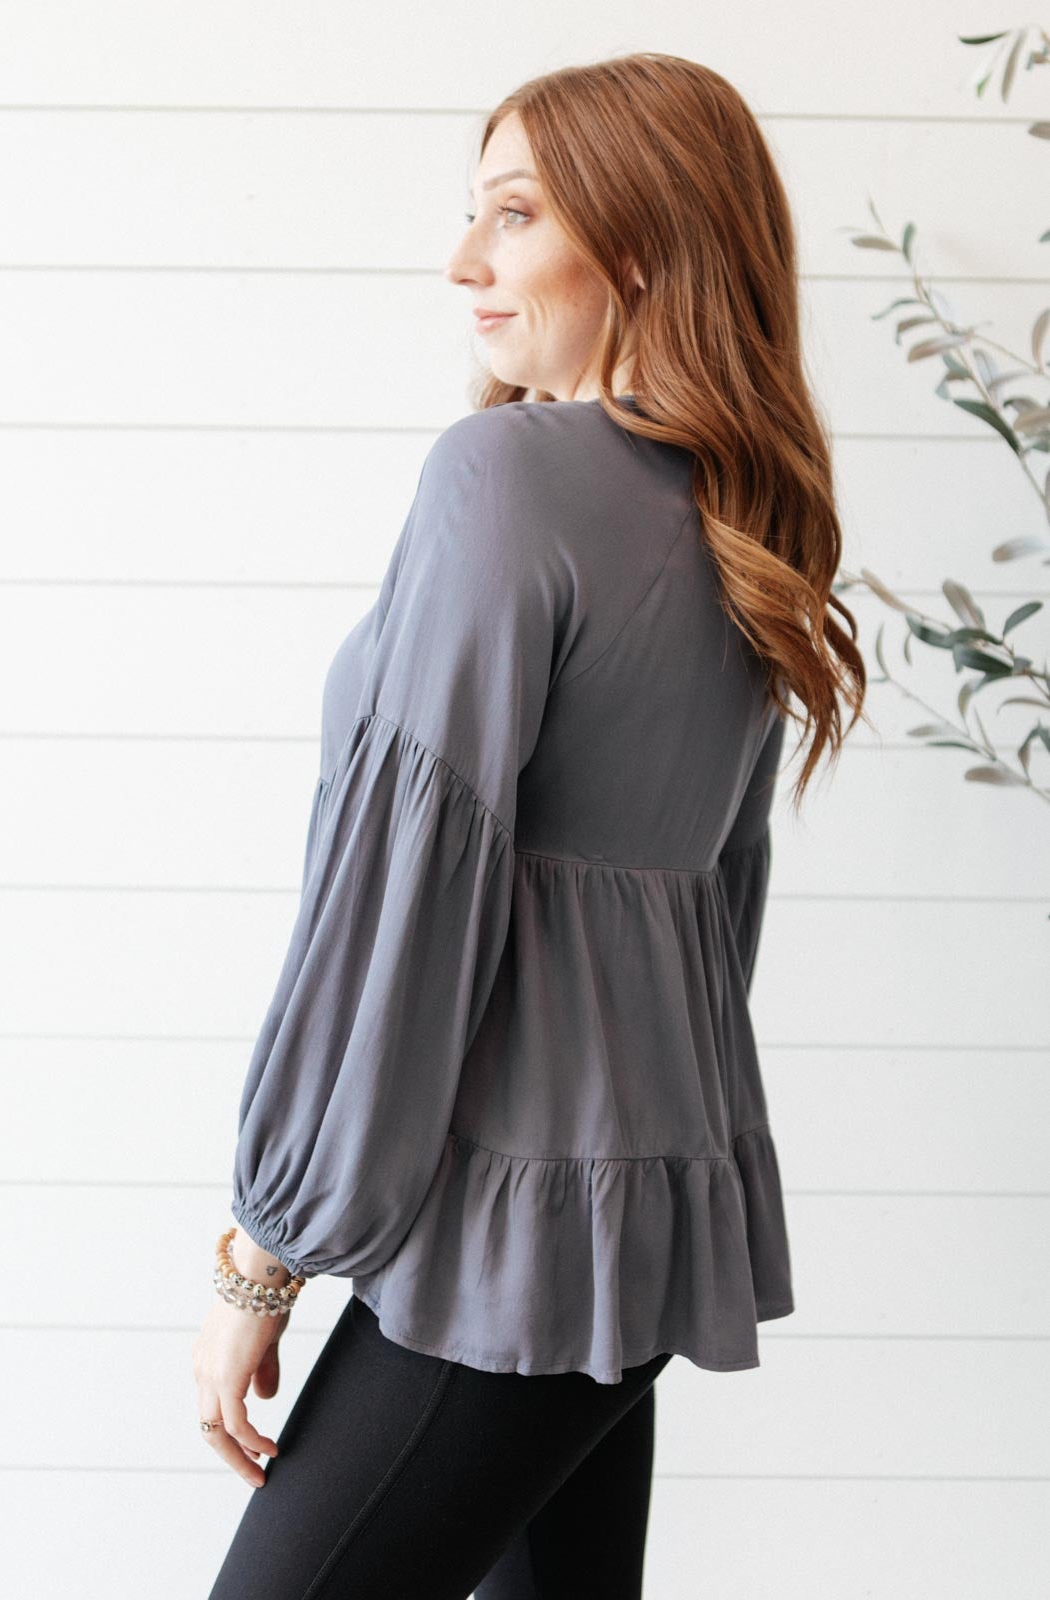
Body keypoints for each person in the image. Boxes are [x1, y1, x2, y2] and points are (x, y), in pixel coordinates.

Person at [194, 50, 868, 1600]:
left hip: (508, 1225)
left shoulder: (504, 478)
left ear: (640, 244)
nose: (464, 261)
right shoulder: (745, 509)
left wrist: (265, 1251)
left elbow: (402, 898)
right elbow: (722, 903)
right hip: (648, 1207)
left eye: (514, 215)